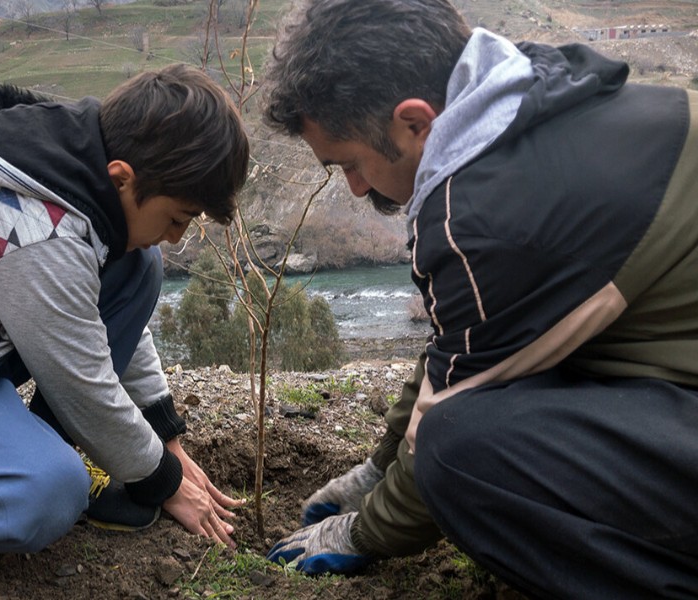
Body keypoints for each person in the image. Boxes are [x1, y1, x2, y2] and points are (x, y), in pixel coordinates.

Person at [261, 0, 698, 597]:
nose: (356, 186)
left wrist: (360, 534)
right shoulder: (532, 97)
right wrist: (376, 470)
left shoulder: (484, 216)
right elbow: (464, 348)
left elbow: (447, 411)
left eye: (350, 163)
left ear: (415, 122)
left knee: (459, 453)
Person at [0, 63, 250, 575]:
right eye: (177, 218)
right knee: (49, 494)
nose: (177, 237)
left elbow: (93, 320)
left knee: (139, 263)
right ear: (122, 178)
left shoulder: (78, 162)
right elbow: (83, 381)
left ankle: (11, 449)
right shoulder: (36, 227)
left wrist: (164, 434)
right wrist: (164, 481)